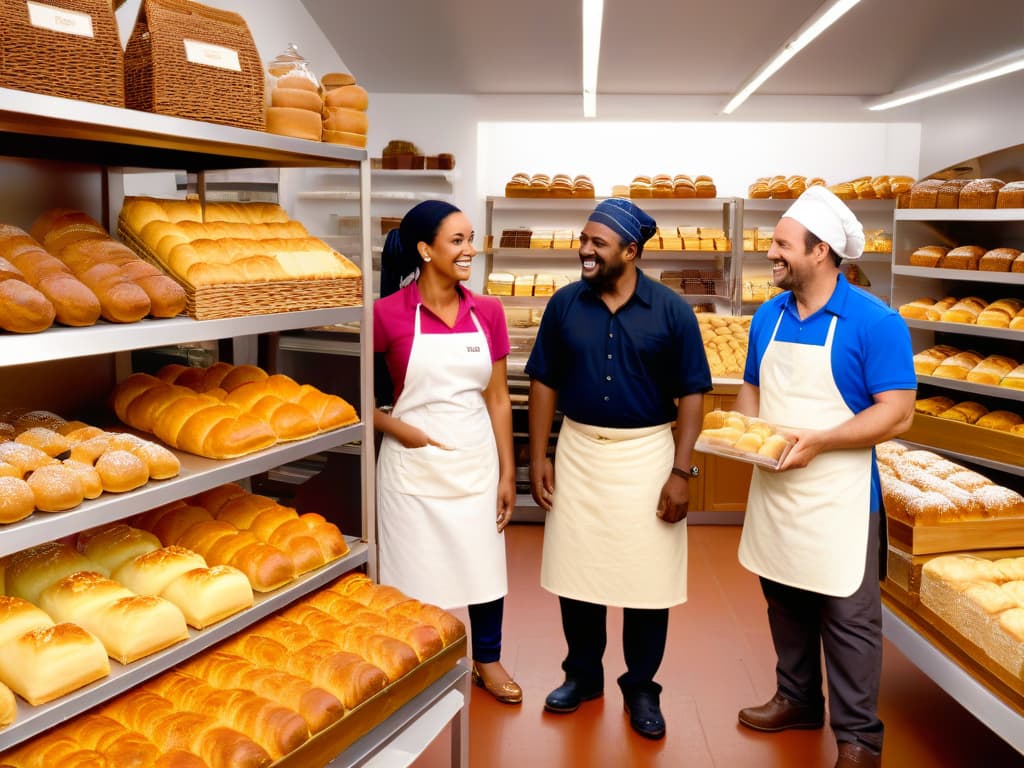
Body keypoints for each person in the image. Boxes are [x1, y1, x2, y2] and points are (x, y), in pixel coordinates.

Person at [733, 185, 916, 768]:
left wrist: (822, 441)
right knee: (783, 598)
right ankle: (798, 698)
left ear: (821, 252)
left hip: (840, 495)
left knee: (848, 615)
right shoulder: (770, 314)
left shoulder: (874, 321)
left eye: (783, 246)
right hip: (777, 486)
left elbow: (897, 410)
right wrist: (739, 429)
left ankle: (859, 737)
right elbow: (752, 388)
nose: (771, 254)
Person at [525, 197, 711, 739]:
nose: (583, 250)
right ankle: (582, 676)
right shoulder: (564, 306)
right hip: (579, 451)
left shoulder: (671, 310)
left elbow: (693, 394)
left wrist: (681, 472)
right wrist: (539, 456)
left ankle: (642, 688)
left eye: (596, 243)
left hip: (647, 456)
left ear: (630, 252)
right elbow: (544, 383)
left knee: (646, 583)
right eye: (583, 239)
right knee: (577, 575)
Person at [373, 200, 521, 704]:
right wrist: (400, 429)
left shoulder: (490, 312)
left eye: (470, 238)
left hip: (475, 461)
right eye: (457, 241)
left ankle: (488, 659)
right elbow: (356, 402)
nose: (470, 250)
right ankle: (407, 661)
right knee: (408, 573)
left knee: (484, 565)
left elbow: (498, 399)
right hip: (410, 470)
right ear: (424, 250)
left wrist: (508, 473)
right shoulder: (387, 314)